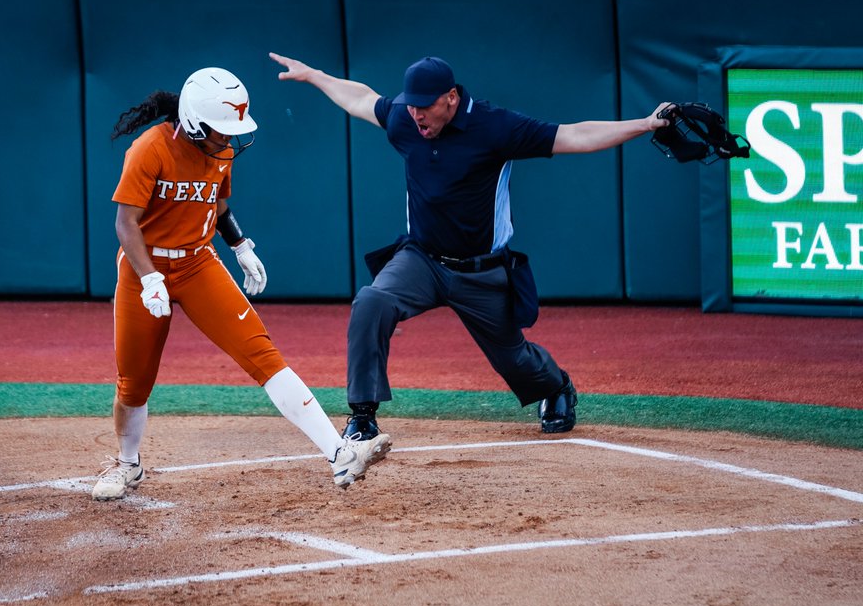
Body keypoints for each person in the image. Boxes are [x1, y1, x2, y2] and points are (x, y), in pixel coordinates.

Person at [269, 52, 672, 439]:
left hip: (482, 271)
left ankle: (556, 387)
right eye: (411, 105)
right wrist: (315, 75)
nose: (416, 114)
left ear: (451, 97)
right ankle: (362, 417)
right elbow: (361, 99)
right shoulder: (406, 118)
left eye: (425, 106)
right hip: (422, 260)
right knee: (372, 301)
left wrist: (645, 124)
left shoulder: (495, 127)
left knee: (515, 359)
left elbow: (574, 135)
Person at [93, 66, 391, 500]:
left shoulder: (222, 150)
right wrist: (149, 277)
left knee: (262, 354)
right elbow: (126, 223)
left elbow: (217, 202)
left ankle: (340, 454)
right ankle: (127, 464)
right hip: (145, 267)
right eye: (222, 128)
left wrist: (239, 245)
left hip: (197, 263)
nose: (230, 138)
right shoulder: (150, 148)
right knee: (133, 383)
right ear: (195, 122)